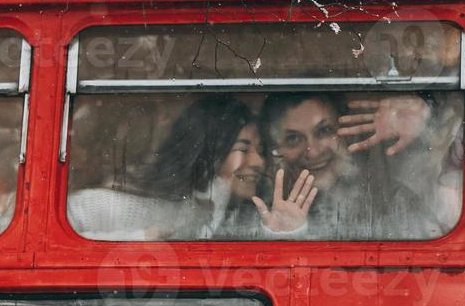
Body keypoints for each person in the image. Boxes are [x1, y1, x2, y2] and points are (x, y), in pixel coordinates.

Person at [68, 95, 317, 240]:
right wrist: (136, 241)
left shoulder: (246, 216)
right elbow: (65, 227)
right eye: (242, 149)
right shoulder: (117, 204)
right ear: (205, 152)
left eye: (261, 151)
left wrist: (285, 232)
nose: (259, 162)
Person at [260, 92, 449, 240]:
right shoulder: (261, 208)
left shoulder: (394, 200)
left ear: (346, 133)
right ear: (276, 148)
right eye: (293, 139)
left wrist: (426, 116)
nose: (313, 151)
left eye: (324, 131)